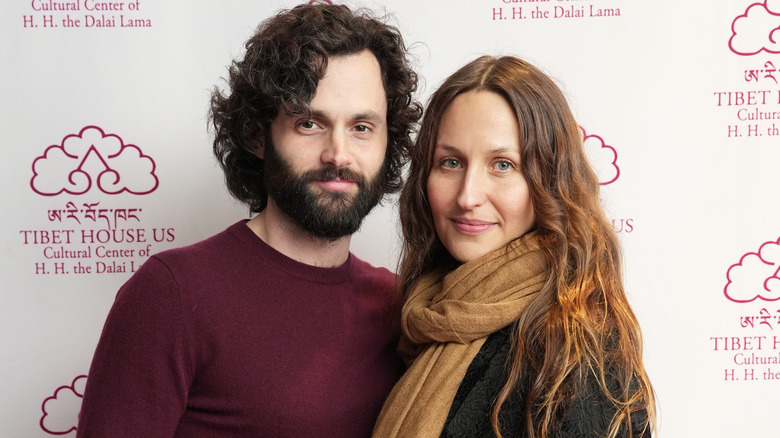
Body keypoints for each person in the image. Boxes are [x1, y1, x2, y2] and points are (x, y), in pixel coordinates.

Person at [76, 4, 421, 437]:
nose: (339, 153)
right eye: (310, 122)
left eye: (362, 127)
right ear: (260, 135)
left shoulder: (400, 305)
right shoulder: (171, 294)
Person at [372, 55, 656, 438]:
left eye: (502, 165)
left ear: (548, 181)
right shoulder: (424, 316)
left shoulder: (573, 355)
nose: (468, 196)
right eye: (451, 162)